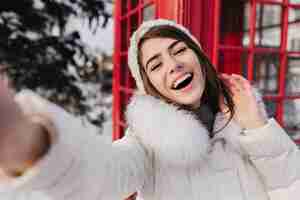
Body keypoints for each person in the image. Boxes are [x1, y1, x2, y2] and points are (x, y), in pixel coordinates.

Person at [0, 19, 299, 200]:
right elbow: (103, 175)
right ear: (150, 85)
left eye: (179, 50)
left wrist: (260, 131)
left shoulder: (245, 116)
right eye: (156, 65)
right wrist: (32, 143)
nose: (173, 65)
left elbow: (291, 186)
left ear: (199, 57)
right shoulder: (147, 143)